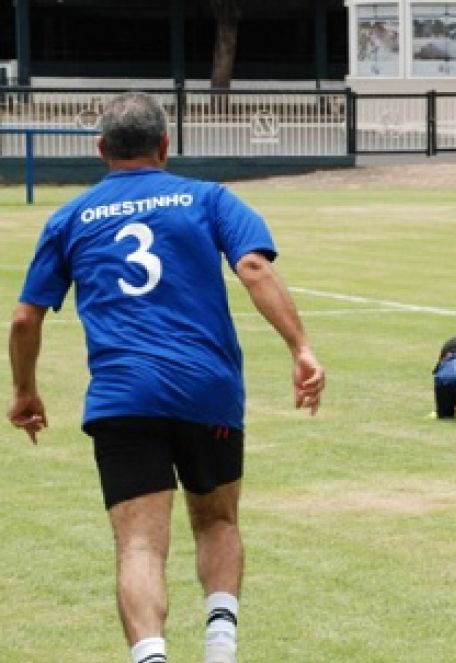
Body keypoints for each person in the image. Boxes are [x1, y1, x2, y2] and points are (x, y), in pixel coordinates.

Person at [7, 92, 325, 663]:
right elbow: (254, 266)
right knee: (217, 520)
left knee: (138, 545)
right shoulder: (209, 198)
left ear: (101, 149)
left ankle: (151, 657)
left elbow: (25, 318)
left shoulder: (70, 216)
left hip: (122, 398)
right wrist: (300, 348)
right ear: (166, 145)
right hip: (207, 390)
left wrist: (25, 391)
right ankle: (220, 645)